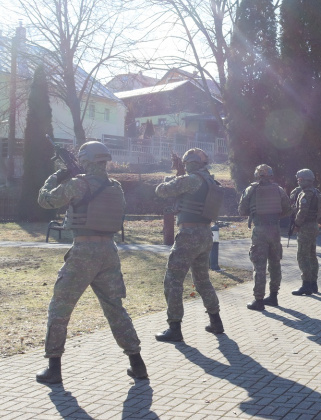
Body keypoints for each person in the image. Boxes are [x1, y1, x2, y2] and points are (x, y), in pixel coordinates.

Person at [36, 141, 147, 383]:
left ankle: (53, 368)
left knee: (60, 309)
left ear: (86, 160)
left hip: (84, 250)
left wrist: (56, 176)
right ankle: (137, 363)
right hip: (109, 251)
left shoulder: (78, 183)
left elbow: (45, 200)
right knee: (115, 309)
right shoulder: (116, 186)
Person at [153, 148, 225, 342]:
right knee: (202, 281)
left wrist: (170, 180)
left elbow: (161, 191)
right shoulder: (210, 181)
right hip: (205, 234)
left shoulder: (192, 180)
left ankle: (174, 328)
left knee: (173, 281)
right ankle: (216, 321)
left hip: (188, 235)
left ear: (189, 163)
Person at [238, 164, 292, 310]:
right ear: (271, 175)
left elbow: (242, 210)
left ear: (257, 175)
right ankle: (273, 297)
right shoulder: (279, 190)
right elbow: (288, 209)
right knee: (275, 263)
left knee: (259, 265)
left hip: (260, 229)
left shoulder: (251, 189)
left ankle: (259, 300)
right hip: (275, 229)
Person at [291, 168, 321, 296]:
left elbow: (302, 212)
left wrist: (296, 224)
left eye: (299, 180)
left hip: (306, 227)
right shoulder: (316, 192)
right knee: (312, 255)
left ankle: (306, 285)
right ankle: (313, 284)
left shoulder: (306, 194)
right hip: (313, 226)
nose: (298, 182)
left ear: (304, 180)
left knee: (302, 256)